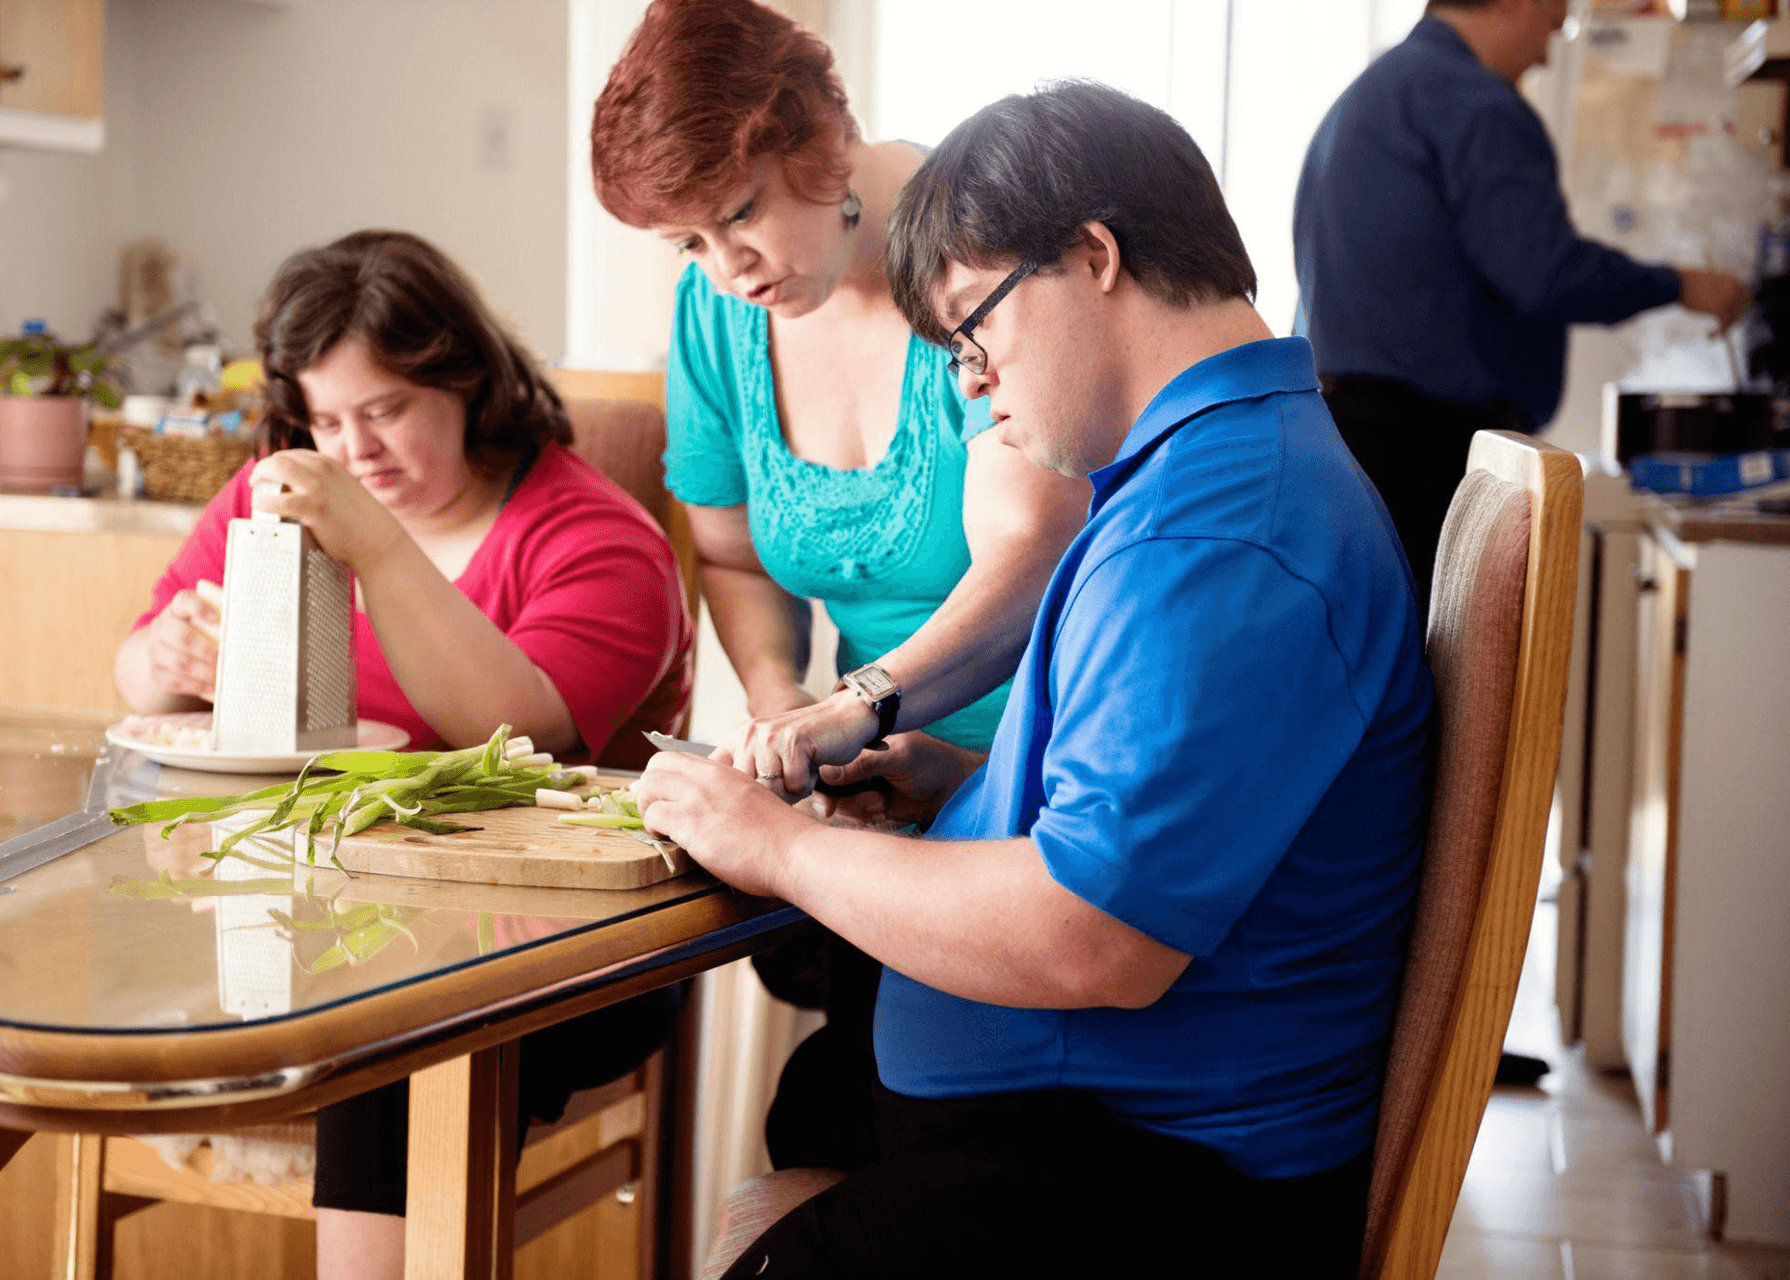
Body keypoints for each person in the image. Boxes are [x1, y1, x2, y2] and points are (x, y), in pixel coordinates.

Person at [632, 81, 1435, 1278]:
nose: (967, 380)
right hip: (1098, 1129)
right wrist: (957, 778)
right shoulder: (1201, 473)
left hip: (1152, 1179)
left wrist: (778, 847)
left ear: (1093, 257)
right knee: (812, 1112)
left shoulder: (1219, 536)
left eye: (976, 329)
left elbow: (1094, 936)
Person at [116, 229, 694, 1280]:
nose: (354, 450)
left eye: (384, 410)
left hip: (563, 956)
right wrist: (169, 656)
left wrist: (372, 541)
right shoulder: (276, 495)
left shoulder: (597, 540)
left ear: (466, 380)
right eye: (325, 419)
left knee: (390, 1022)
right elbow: (138, 675)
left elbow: (516, 735)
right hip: (308, 914)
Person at [590, 0, 1089, 1170]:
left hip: (1027, 778)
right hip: (875, 776)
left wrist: (854, 704)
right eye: (689, 244)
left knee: (851, 1115)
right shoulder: (720, 313)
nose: (726, 268)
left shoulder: (968, 255)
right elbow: (727, 553)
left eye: (740, 215)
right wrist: (777, 703)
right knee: (825, 1109)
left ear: (818, 132)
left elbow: (1033, 555)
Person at [1294, 0, 1749, 610]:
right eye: (1550, 21)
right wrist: (1684, 285)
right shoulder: (1473, 102)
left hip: (1341, 447)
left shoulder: (1364, 98)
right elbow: (1544, 272)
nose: (1551, 43)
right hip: (1420, 457)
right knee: (1440, 680)